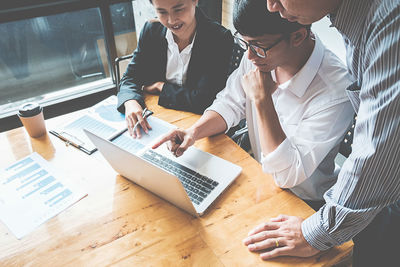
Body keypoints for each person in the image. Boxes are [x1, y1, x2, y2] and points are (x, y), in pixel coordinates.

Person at [239, 0, 400, 265]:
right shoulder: (357, 24)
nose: (270, 5)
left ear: (299, 37)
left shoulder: (388, 25)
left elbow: (378, 154)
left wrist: (316, 232)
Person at [153, 0, 354, 210]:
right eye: (245, 43)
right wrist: (193, 132)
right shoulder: (260, 54)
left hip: (304, 202)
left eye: (257, 46)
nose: (249, 56)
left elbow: (287, 175)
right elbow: (229, 102)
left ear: (297, 36)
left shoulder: (336, 91)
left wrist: (262, 99)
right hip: (259, 177)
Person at [117, 0, 233, 138]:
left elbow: (204, 100)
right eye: (162, 12)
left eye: (178, 9)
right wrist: (131, 102)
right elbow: (130, 77)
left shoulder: (218, 38)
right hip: (160, 119)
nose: (171, 20)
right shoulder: (151, 30)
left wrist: (162, 87)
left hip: (199, 128)